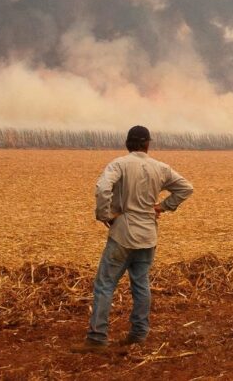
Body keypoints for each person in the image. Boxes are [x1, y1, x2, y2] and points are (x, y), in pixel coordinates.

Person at [79, 125, 193, 350]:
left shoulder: (119, 164)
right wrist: (162, 207)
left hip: (123, 234)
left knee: (105, 284)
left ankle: (97, 338)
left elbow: (103, 188)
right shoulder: (160, 168)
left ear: (127, 143)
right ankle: (139, 333)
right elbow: (186, 188)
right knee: (141, 284)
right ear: (147, 144)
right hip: (148, 235)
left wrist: (105, 216)